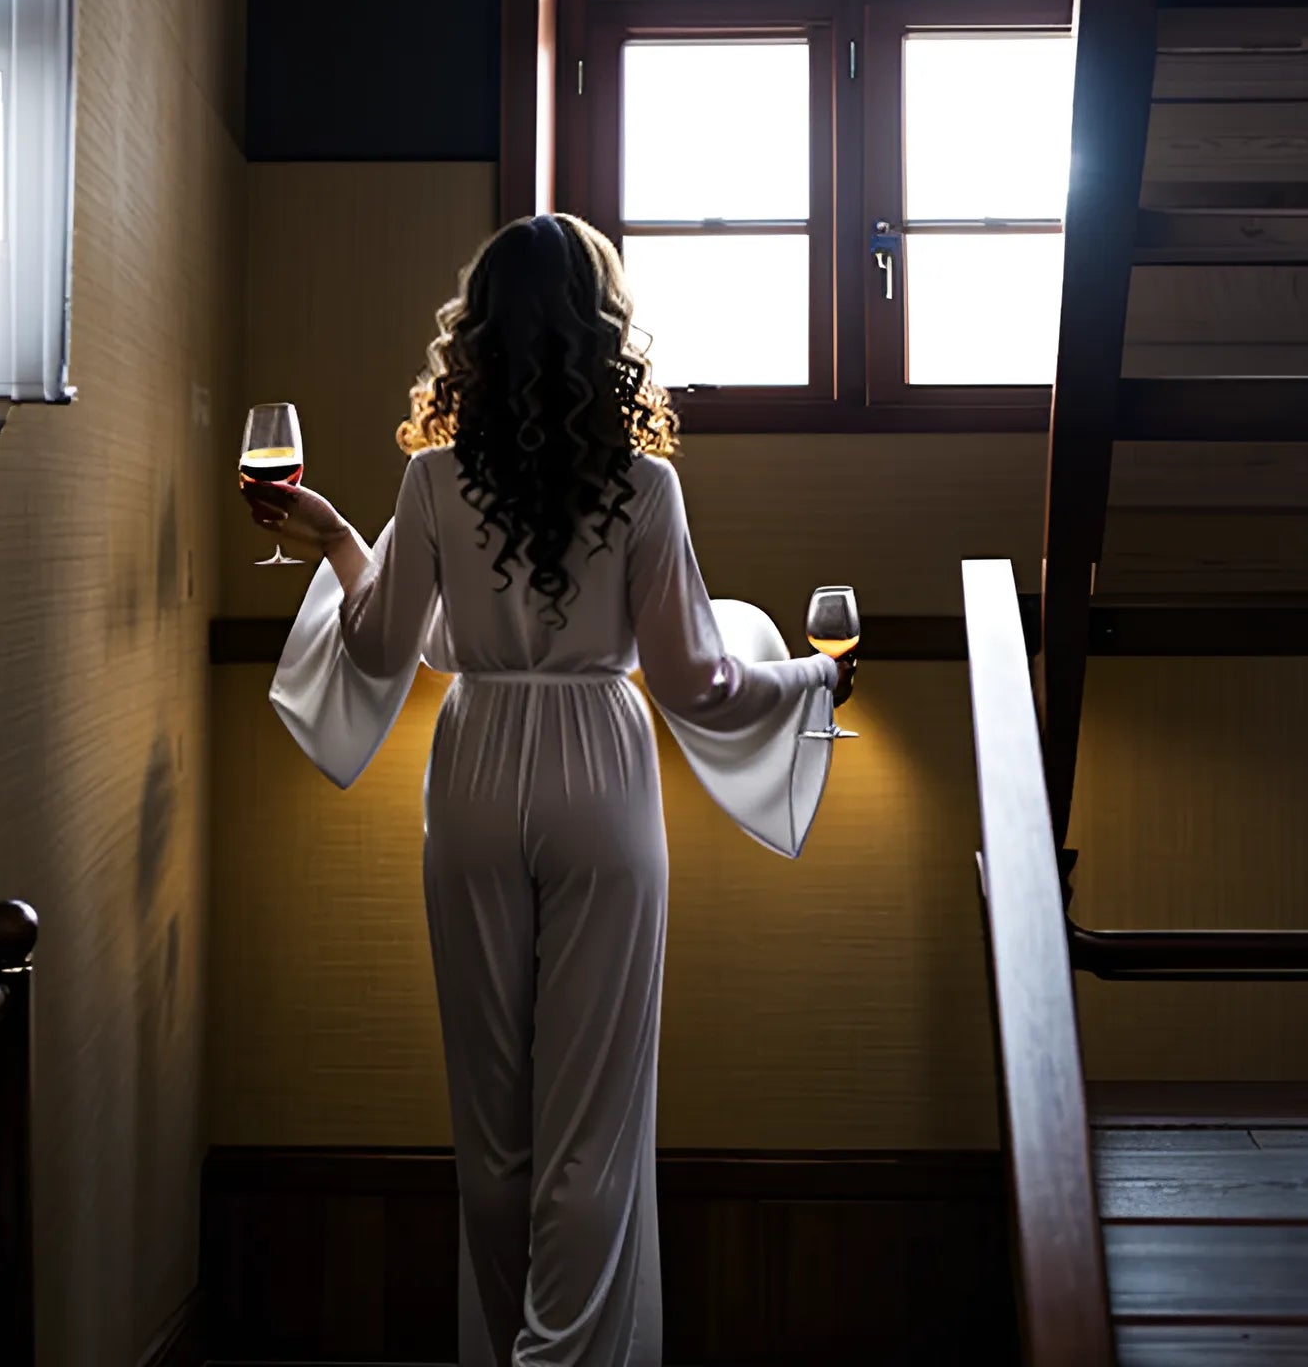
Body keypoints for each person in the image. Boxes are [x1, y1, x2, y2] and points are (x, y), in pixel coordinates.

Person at [240, 212, 850, 1367]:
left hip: (472, 767)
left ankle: (516, 1347)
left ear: (475, 336)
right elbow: (696, 680)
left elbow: (385, 652)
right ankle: (564, 1355)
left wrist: (332, 537)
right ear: (598, 332)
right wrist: (815, 674)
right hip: (601, 773)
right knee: (592, 1122)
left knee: (495, 1121)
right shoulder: (642, 487)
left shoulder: (431, 479)